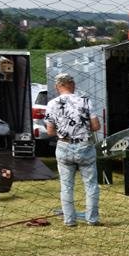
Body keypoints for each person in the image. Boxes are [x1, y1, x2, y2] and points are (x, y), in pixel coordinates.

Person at [45, 73, 101, 227]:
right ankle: (92, 219)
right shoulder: (85, 101)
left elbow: (49, 131)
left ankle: (69, 220)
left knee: (66, 186)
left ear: (58, 86)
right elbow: (96, 126)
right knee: (91, 185)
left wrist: (64, 132)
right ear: (72, 84)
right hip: (84, 146)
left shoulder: (52, 104)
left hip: (64, 146)